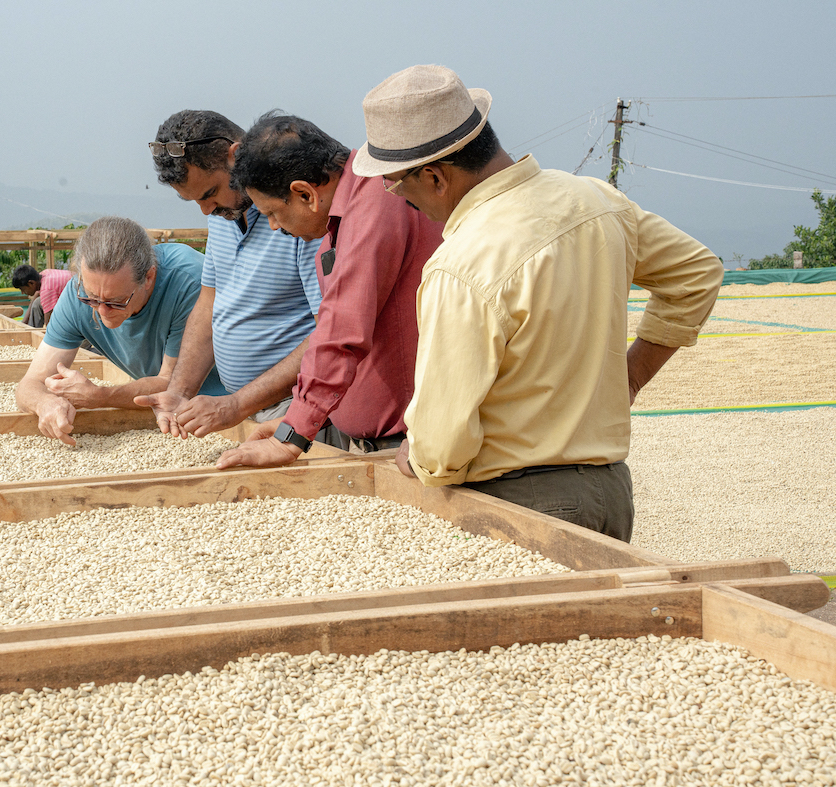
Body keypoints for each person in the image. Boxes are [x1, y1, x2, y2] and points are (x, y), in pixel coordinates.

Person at [352, 65, 722, 542]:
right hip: (609, 491)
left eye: (397, 184)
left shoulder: (461, 264)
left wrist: (420, 455)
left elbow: (442, 449)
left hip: (518, 504)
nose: (397, 195)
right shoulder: (596, 199)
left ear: (435, 178)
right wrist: (632, 374)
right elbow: (697, 274)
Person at [215, 111, 443, 470]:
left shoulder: (374, 204)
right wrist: (304, 421)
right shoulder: (344, 219)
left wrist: (293, 435)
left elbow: (342, 332)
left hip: (405, 448)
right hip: (369, 441)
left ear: (305, 194)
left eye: (273, 212)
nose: (273, 227)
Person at [136, 110, 322, 436]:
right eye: (193, 201)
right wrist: (179, 392)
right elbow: (209, 304)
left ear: (235, 157)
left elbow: (330, 331)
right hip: (246, 410)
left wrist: (237, 404)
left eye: (209, 194)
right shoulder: (222, 215)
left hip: (297, 410)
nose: (206, 210)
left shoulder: (298, 217)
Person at [15, 216, 225, 444]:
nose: (103, 311)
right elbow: (29, 385)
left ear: (149, 277)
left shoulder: (188, 282)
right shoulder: (76, 293)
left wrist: (99, 397)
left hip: (226, 409)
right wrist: (45, 403)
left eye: (117, 302)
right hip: (168, 413)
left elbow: (174, 385)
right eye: (92, 299)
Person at [12, 264, 71, 328]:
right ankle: (30, 331)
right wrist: (23, 325)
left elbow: (49, 324)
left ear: (31, 283)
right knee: (36, 303)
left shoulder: (47, 289)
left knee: (37, 304)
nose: (22, 293)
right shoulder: (44, 274)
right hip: (74, 298)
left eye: (23, 289)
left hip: (78, 305)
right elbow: (34, 299)